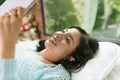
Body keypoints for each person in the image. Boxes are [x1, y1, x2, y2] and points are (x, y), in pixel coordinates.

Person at [0, 5, 99, 80]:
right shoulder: (25, 48)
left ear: (71, 57)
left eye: (67, 39)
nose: (59, 34)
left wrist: (9, 45)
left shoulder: (55, 75)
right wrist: (20, 14)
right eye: (64, 31)